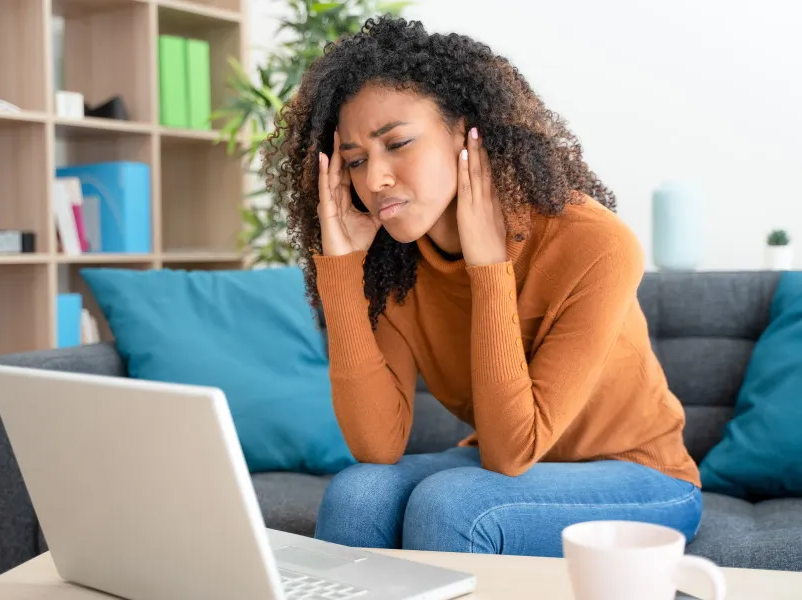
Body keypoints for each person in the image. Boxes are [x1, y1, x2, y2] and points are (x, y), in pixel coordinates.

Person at [260, 15, 702, 557]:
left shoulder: (595, 245)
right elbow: (377, 445)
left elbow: (511, 453)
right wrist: (341, 268)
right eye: (355, 161)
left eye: (396, 143)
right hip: (503, 464)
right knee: (359, 493)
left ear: (465, 133)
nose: (374, 179)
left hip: (643, 479)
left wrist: (488, 266)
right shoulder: (391, 262)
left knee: (453, 504)